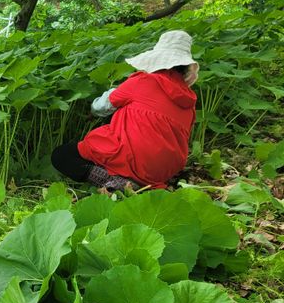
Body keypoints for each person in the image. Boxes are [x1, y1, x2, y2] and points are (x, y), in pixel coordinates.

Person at [51, 30, 200, 191]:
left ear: (156, 60)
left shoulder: (142, 81)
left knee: (62, 155)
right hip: (164, 170)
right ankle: (142, 185)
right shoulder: (189, 101)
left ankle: (117, 183)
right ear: (186, 69)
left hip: (135, 158)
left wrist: (92, 112)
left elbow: (102, 106)